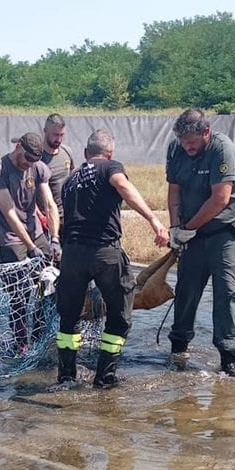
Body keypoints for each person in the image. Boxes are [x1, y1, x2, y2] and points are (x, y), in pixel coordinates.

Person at [55, 129, 169, 388]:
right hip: (103, 252)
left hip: (71, 254)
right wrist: (154, 220)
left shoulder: (70, 179)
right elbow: (122, 185)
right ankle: (105, 379)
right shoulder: (110, 168)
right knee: (120, 315)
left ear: (85, 154)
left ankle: (66, 378)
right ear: (110, 154)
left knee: (69, 317)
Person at [165, 108, 235, 377]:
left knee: (227, 292)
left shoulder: (221, 148)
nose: (187, 146)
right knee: (186, 290)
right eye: (183, 141)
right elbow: (174, 191)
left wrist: (189, 228)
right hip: (192, 232)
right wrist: (175, 228)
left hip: (225, 229)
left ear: (206, 132)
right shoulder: (175, 149)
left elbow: (220, 199)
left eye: (191, 141)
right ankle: (178, 349)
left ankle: (229, 357)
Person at [0, 132, 61, 355]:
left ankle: (39, 336)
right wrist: (30, 248)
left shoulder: (38, 168)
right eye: (27, 159)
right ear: (18, 147)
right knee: (18, 296)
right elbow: (9, 213)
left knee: (48, 287)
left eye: (34, 160)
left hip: (37, 234)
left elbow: (49, 204)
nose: (29, 164)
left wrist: (53, 238)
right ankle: (21, 345)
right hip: (12, 240)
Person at [40, 113, 77, 222]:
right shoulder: (37, 157)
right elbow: (28, 192)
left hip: (67, 216)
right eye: (55, 135)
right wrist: (41, 217)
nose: (59, 139)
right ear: (45, 131)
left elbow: (73, 181)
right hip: (46, 218)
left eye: (62, 135)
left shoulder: (67, 152)